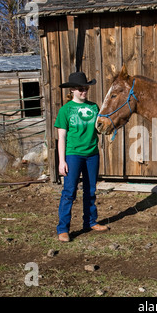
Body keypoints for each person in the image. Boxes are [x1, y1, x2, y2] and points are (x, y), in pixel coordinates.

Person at [54, 72, 108, 242]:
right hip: (73, 154)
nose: (83, 91)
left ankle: (90, 221)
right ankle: (63, 229)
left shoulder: (94, 107)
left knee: (90, 190)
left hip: (92, 154)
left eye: (85, 88)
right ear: (72, 90)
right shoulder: (65, 110)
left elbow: (101, 127)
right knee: (69, 192)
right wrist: (62, 161)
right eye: (80, 89)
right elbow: (61, 137)